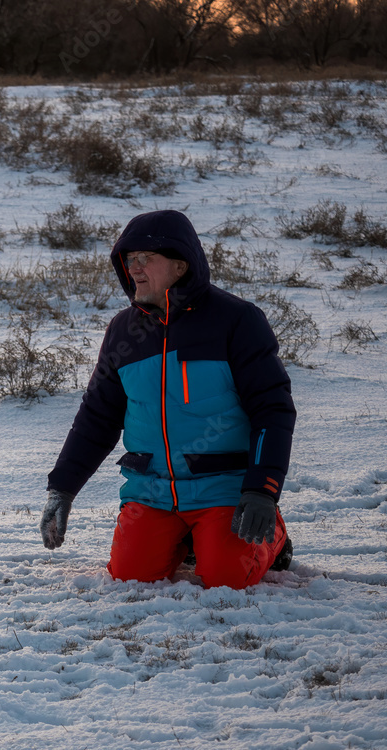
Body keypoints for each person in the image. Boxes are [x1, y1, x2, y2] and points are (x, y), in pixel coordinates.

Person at [41, 210, 295, 589]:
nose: (135, 269)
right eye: (129, 260)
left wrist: (262, 490)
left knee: (227, 578)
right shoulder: (123, 332)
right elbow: (97, 418)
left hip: (222, 486)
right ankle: (189, 540)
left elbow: (272, 409)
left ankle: (272, 536)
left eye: (146, 259)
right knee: (130, 577)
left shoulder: (236, 320)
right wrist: (62, 489)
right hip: (152, 490)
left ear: (180, 265)